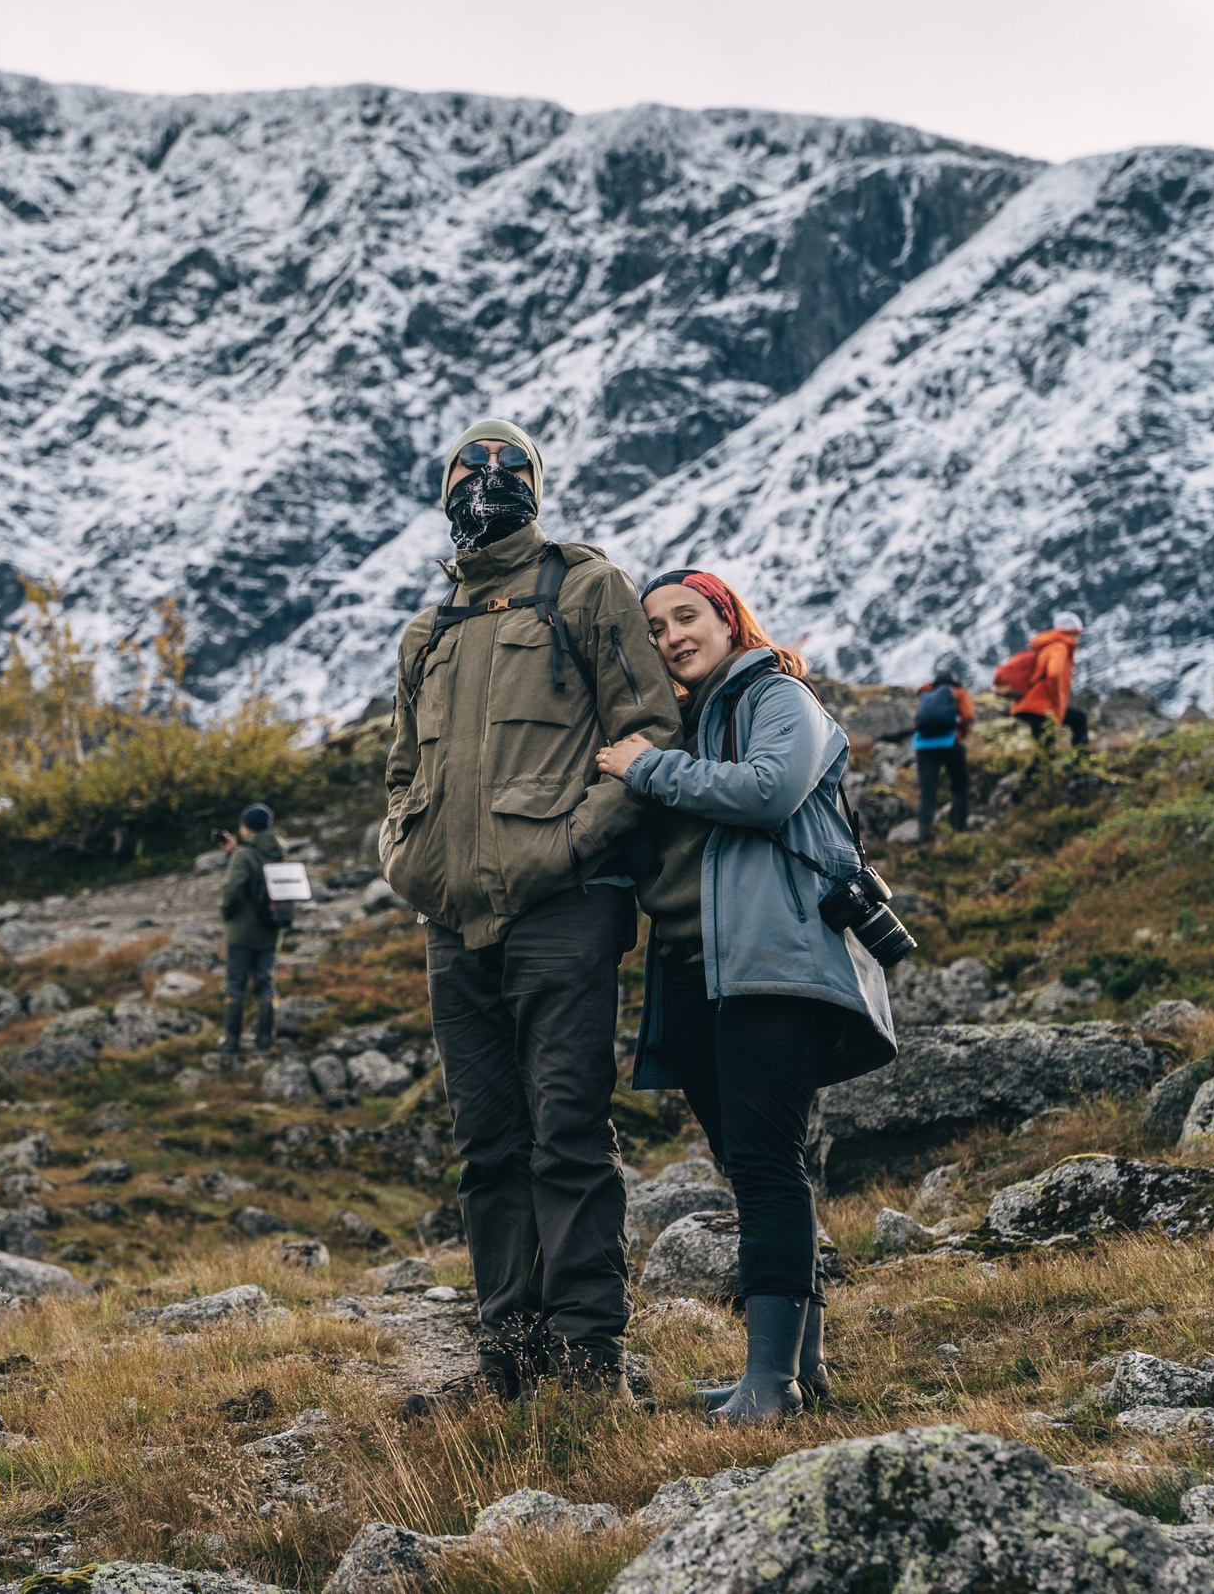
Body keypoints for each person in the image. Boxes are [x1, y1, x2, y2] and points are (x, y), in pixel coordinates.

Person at [380, 417, 680, 1401]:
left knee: (569, 1136)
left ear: (537, 490)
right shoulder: (428, 631)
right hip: (451, 928)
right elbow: (401, 772)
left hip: (563, 912)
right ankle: (507, 1358)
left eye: (515, 464)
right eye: (474, 463)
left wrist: (565, 847)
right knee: (486, 1149)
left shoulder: (586, 589)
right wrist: (404, 857)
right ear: (446, 490)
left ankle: (587, 1362)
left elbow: (644, 737)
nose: (493, 475)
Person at [601, 568, 896, 1422]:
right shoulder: (686, 722)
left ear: (729, 618)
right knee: (753, 1166)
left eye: (686, 616)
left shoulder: (776, 695)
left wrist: (649, 769)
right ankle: (798, 1371)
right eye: (653, 628)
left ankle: (772, 1383)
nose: (669, 637)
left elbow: (769, 791)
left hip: (772, 959)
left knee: (767, 1164)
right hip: (696, 971)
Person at [217, 803, 285, 1054]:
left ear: (247, 827)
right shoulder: (277, 850)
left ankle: (232, 1041)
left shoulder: (244, 855)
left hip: (242, 932)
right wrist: (232, 852)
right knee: (265, 984)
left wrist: (226, 912)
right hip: (270, 930)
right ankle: (266, 1040)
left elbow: (233, 889)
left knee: (235, 985)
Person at [910, 657, 975, 840]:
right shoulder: (958, 693)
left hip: (923, 747)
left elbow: (919, 719)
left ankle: (924, 833)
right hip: (951, 744)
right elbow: (968, 715)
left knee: (928, 792)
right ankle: (958, 829)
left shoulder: (926, 694)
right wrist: (961, 733)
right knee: (960, 786)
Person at [1009, 613, 1089, 750]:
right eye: (1076, 634)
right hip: (1040, 706)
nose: (1077, 639)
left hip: (1031, 704)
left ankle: (1078, 766)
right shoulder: (1060, 647)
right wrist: (1057, 702)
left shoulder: (1048, 646)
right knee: (1078, 720)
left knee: (1044, 750)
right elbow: (1054, 674)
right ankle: (1081, 766)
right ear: (1070, 632)